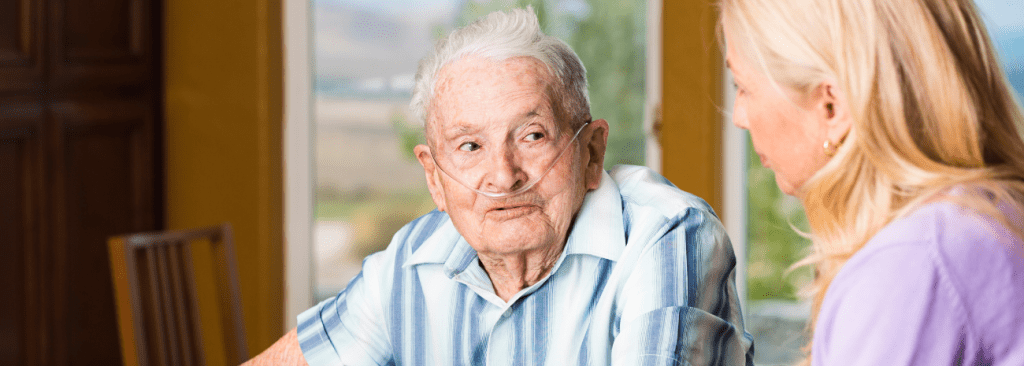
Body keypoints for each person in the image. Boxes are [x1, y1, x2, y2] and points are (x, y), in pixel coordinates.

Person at [244, 8, 753, 366]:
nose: (504, 176)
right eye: (469, 147)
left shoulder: (666, 237)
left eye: (532, 135)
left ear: (591, 153)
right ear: (434, 178)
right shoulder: (411, 264)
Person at [719, 0, 1024, 364]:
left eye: (743, 87)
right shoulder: (987, 217)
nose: (739, 117)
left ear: (831, 107)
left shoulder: (911, 265)